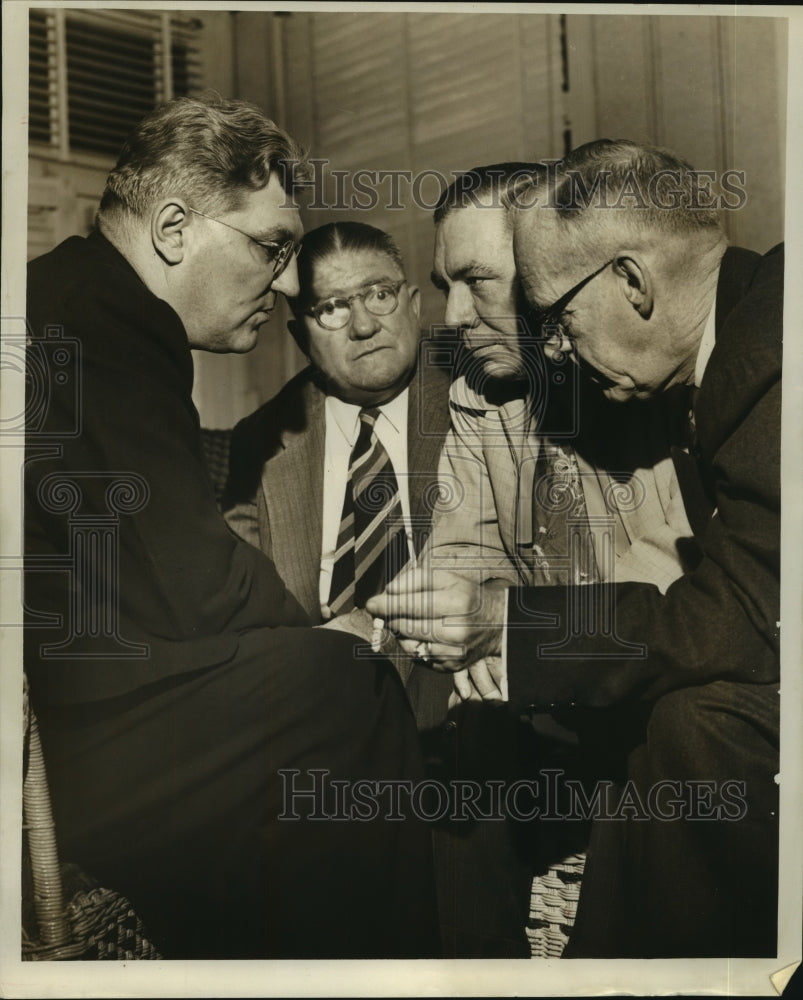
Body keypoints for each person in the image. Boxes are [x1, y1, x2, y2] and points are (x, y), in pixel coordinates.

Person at [23, 95, 439, 960]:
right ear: (174, 227)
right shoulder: (101, 322)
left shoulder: (67, 297)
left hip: (66, 713)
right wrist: (337, 633)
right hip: (63, 749)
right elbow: (193, 580)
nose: (288, 282)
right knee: (343, 683)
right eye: (272, 246)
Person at [369, 139, 781, 958]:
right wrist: (478, 622)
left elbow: (708, 596)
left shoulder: (689, 379)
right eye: (445, 285)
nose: (453, 318)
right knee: (460, 734)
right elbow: (463, 549)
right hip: (577, 676)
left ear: (623, 281)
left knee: (682, 723)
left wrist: (518, 630)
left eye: (484, 284)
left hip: (633, 677)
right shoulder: (494, 398)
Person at [222, 221, 451, 643]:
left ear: (414, 305)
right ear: (300, 337)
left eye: (380, 295)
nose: (363, 326)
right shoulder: (260, 440)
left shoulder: (480, 402)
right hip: (322, 688)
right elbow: (244, 621)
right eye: (331, 308)